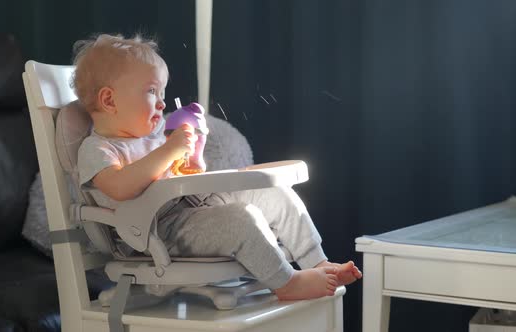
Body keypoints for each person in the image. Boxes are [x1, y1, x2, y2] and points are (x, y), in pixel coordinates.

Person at [74, 33, 362, 301]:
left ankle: (318, 261)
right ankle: (287, 283)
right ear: (109, 100)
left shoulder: (152, 138)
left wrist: (191, 156)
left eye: (162, 92)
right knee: (241, 219)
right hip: (155, 233)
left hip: (190, 209)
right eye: (151, 91)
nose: (162, 104)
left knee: (272, 191)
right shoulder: (97, 149)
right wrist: (168, 150)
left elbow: (182, 178)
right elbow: (119, 186)